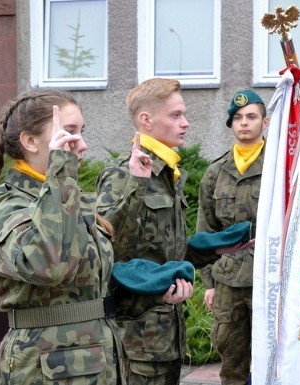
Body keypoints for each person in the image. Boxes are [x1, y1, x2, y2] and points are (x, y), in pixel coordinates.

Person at [0, 89, 125, 384]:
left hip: (93, 363)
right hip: (43, 367)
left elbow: (93, 283)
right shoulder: (10, 204)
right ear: (29, 141)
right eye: (69, 132)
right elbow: (48, 266)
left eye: (81, 132)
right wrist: (61, 171)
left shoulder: (66, 198)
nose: (82, 144)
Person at [96, 78, 194, 385]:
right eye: (175, 115)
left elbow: (165, 250)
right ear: (146, 120)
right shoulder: (123, 173)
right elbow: (106, 247)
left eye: (183, 115)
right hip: (136, 334)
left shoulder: (168, 174)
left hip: (167, 329)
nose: (185, 123)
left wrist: (216, 250)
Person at [196, 89, 268, 385]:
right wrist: (209, 283)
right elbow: (206, 232)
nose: (244, 123)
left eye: (251, 116)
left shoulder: (278, 168)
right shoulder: (216, 171)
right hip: (227, 281)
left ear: (265, 122)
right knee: (231, 364)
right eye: (237, 118)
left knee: (269, 360)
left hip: (266, 277)